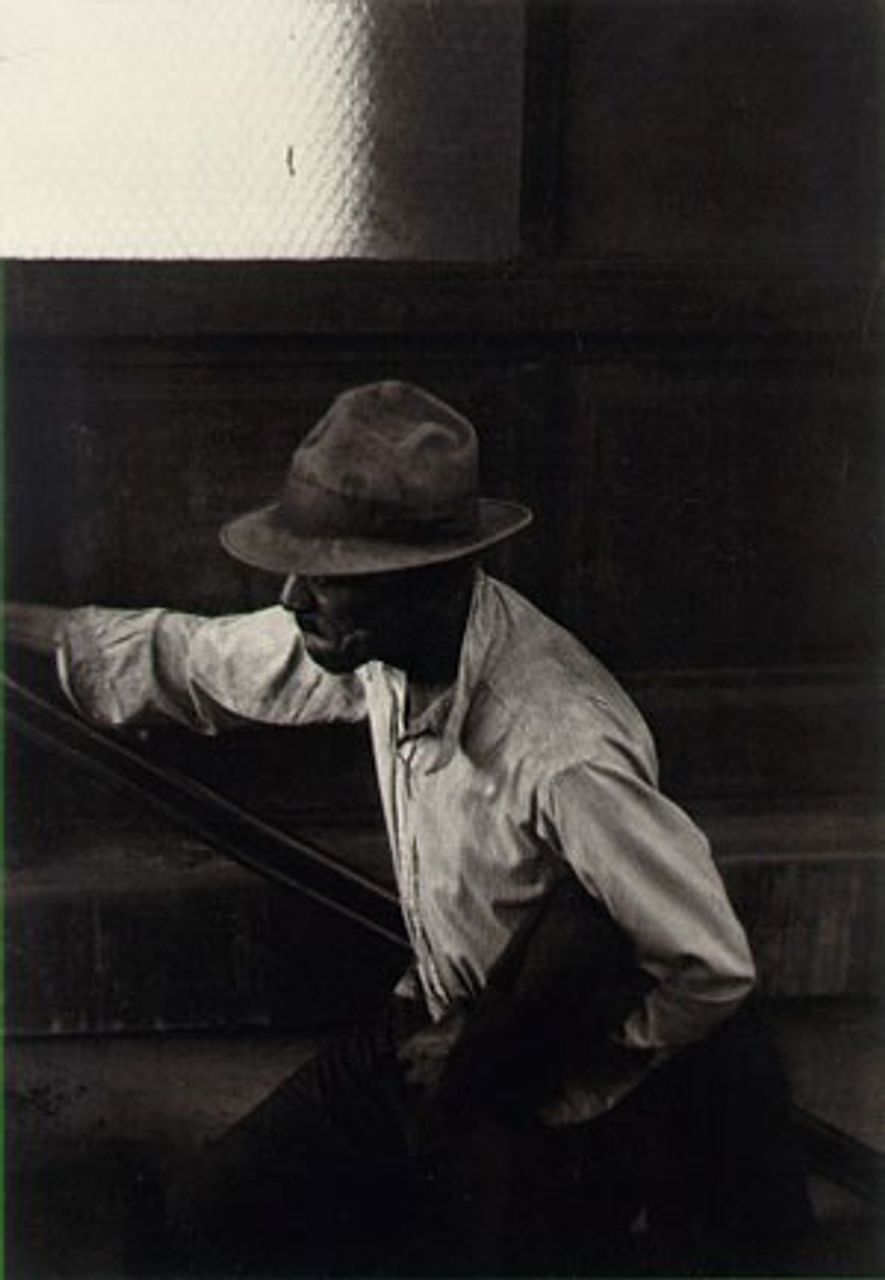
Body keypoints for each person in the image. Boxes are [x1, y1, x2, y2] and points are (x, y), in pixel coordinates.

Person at [7, 380, 809, 1276]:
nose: (294, 599)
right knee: (209, 1218)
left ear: (423, 581)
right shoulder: (376, 644)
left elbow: (708, 965)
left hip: (528, 1082)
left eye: (326, 576)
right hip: (422, 1020)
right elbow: (195, 658)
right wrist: (12, 626)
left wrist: (550, 1076)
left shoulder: (559, 744)